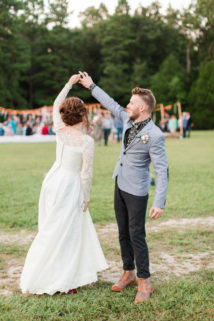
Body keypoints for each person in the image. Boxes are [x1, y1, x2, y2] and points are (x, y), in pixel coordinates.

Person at [79, 71, 168, 305]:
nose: (127, 105)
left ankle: (144, 281)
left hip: (137, 190)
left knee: (137, 234)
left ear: (143, 109)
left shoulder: (155, 136)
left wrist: (159, 202)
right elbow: (111, 103)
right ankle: (128, 272)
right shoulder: (127, 119)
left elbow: (162, 170)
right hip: (119, 183)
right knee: (122, 233)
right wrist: (91, 86)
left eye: (132, 103)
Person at [20, 74, 108, 295]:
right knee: (67, 232)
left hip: (52, 180)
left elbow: (55, 104)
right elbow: (86, 174)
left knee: (51, 228)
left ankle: (50, 273)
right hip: (69, 185)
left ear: (64, 114)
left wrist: (68, 83)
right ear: (83, 114)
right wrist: (86, 198)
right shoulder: (86, 141)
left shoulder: (59, 128)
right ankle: (65, 279)